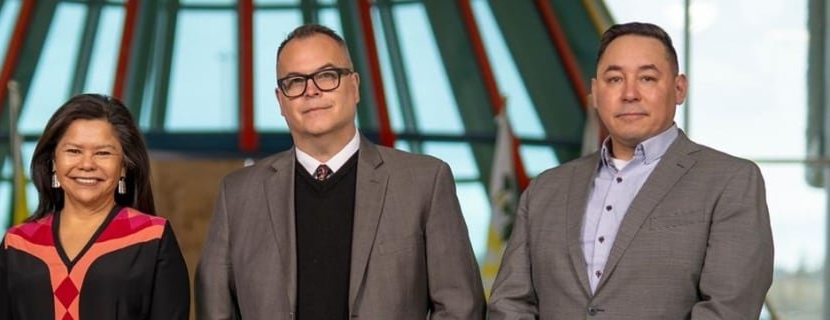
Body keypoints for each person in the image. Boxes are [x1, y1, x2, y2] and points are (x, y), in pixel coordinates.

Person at [195, 24, 485, 319]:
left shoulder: (425, 181)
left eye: (326, 75)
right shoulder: (238, 194)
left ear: (355, 86)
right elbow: (215, 307)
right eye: (295, 81)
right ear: (281, 100)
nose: (311, 90)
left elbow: (461, 306)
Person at [488, 22, 773, 318]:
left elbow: (728, 309)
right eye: (614, 80)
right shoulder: (545, 189)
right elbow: (510, 303)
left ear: (679, 88)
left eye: (647, 78)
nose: (629, 94)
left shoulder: (730, 181)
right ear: (596, 92)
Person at [0, 94, 190, 319]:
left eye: (103, 153)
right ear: (53, 162)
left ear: (124, 166)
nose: (87, 164)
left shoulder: (152, 238)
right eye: (74, 151)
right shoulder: (18, 244)